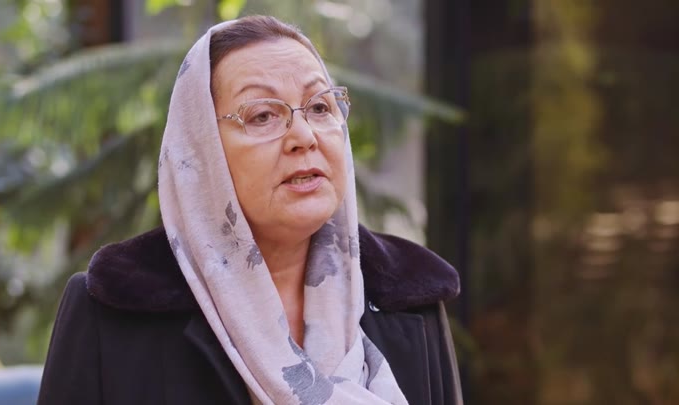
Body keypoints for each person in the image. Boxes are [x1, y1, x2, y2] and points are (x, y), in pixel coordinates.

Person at [37, 15, 462, 405]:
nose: (304, 136)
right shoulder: (113, 308)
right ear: (201, 150)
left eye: (320, 107)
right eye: (262, 116)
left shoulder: (410, 295)